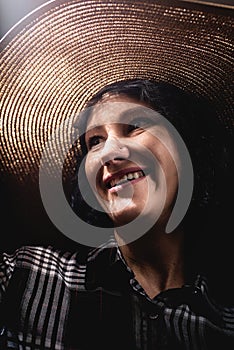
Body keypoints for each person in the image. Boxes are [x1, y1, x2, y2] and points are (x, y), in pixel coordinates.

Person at [0, 1, 233, 350]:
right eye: (95, 141)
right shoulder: (23, 276)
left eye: (135, 126)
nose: (108, 152)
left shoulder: (224, 328)